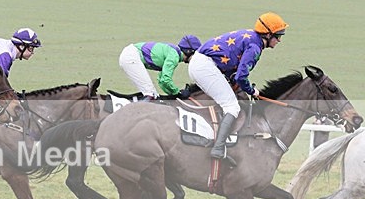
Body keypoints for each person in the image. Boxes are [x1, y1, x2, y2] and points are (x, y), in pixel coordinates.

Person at [188, 12, 288, 163]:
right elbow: (241, 76)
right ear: (267, 34)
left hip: (202, 64)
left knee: (229, 99)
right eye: (278, 35)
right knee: (232, 106)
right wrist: (252, 91)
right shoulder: (255, 46)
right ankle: (218, 148)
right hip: (205, 67)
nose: (279, 40)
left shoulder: (252, 37)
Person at [118, 35, 201, 100]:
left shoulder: (174, 52)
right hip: (131, 56)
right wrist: (178, 93)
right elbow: (165, 80)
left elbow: (161, 81)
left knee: (154, 95)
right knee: (151, 95)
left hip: (130, 54)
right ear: (189, 51)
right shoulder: (174, 56)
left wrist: (174, 94)